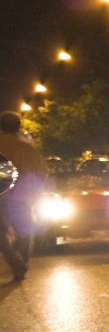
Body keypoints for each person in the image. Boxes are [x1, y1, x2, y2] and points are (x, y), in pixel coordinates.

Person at [0, 111, 47, 280]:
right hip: (23, 198)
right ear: (19, 126)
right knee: (25, 232)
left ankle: (14, 260)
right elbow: (41, 174)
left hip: (2, 197)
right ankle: (21, 263)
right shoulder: (28, 149)